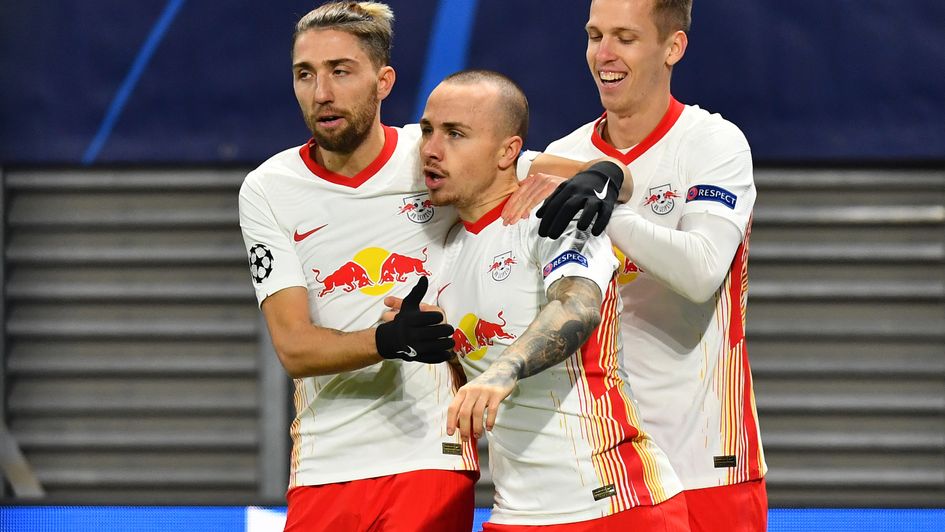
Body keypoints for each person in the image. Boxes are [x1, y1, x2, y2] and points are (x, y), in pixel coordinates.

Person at [505, 1, 768, 530]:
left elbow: (701, 273)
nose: (603, 54)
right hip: (604, 472)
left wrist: (609, 209)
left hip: (706, 462)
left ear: (673, 47)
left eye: (625, 38)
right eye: (594, 35)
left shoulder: (713, 143)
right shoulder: (564, 153)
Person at [411, 69, 689, 530]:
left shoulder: (559, 214)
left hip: (615, 502)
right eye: (427, 131)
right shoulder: (443, 253)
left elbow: (577, 306)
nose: (431, 149)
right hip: (515, 512)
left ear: (508, 152)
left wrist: (505, 370)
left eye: (455, 134)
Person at [238, 3, 477, 531]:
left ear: (383, 81)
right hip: (323, 465)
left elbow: (533, 167)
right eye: (305, 74)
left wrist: (603, 173)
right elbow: (294, 347)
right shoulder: (268, 188)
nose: (321, 92)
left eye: (340, 71)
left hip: (429, 456)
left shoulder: (431, 155)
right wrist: (389, 340)